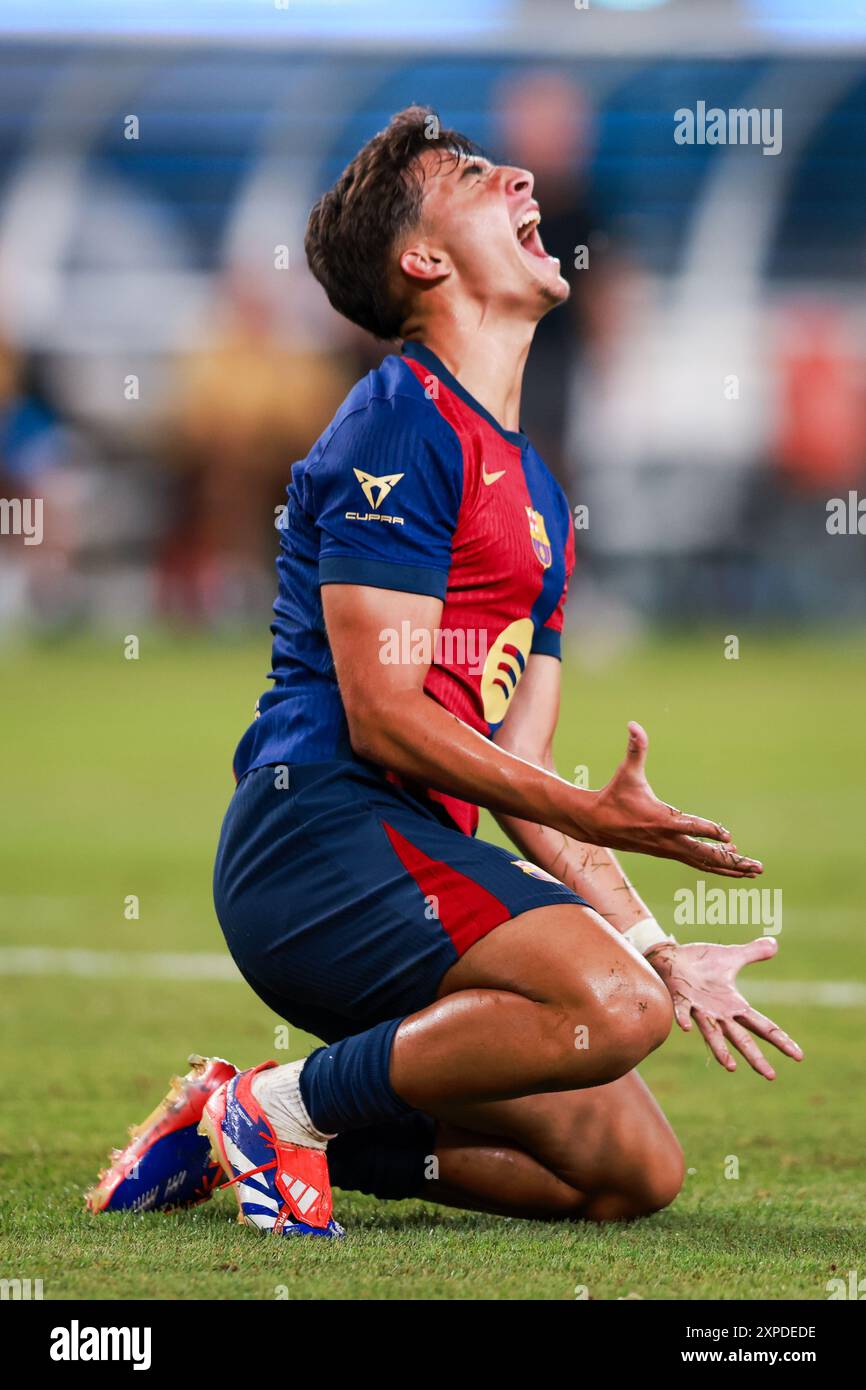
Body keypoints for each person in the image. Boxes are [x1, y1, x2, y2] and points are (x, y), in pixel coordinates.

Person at [88, 107, 800, 1238]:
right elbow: (381, 717)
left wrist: (659, 949)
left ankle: (241, 1114)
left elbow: (518, 769)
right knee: (606, 1007)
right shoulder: (398, 428)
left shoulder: (534, 493)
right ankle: (285, 1112)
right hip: (319, 842)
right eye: (474, 174)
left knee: (628, 1175)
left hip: (420, 865)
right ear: (419, 260)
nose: (520, 175)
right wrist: (598, 851)